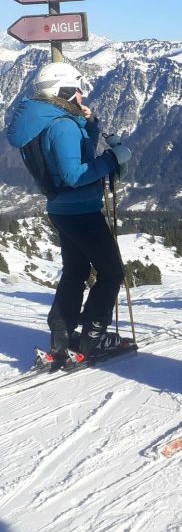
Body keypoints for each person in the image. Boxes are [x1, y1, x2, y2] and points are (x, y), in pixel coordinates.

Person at [6, 61, 132, 360]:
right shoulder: (62, 126)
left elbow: (74, 154)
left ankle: (61, 338)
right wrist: (112, 160)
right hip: (81, 210)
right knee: (111, 273)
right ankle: (93, 339)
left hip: (61, 208)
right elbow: (74, 175)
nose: (82, 94)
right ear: (63, 91)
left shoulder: (45, 119)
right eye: (78, 89)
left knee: (76, 271)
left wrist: (89, 126)